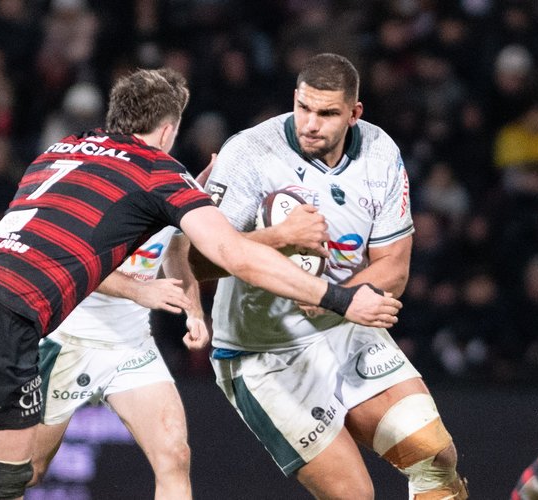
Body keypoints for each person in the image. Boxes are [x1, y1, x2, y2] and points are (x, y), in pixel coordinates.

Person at [0, 67, 400, 500]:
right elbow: (231, 253)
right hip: (47, 332)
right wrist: (338, 296)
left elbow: (122, 243)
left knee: (173, 455)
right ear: (168, 129)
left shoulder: (61, 150)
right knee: (10, 481)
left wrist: (191, 296)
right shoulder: (159, 173)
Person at [195, 53, 468, 499]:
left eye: (327, 114)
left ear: (354, 113)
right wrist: (278, 236)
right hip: (263, 350)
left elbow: (394, 266)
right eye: (303, 108)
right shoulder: (249, 153)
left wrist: (334, 298)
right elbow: (194, 261)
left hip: (343, 326)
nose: (310, 124)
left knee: (436, 459)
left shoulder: (379, 152)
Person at [28, 227, 208, 496]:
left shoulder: (180, 199)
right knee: (27, 471)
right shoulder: (92, 198)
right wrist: (138, 290)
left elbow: (175, 250)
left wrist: (193, 312)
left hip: (133, 345)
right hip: (68, 341)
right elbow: (72, 261)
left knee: (175, 455)